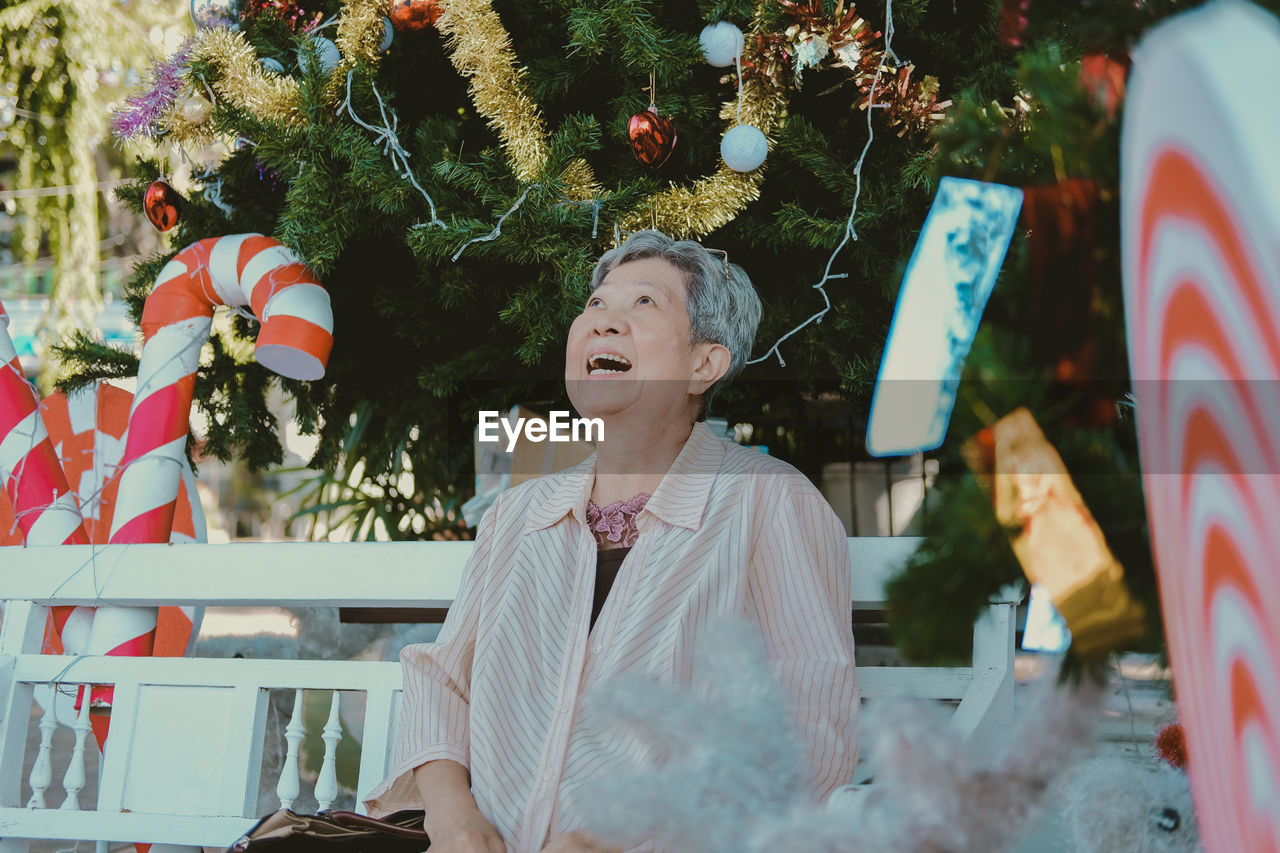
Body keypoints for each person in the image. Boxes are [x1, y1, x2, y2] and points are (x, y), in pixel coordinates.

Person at [364, 230, 858, 853]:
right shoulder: (516, 516)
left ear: (704, 363)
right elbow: (442, 684)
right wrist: (453, 817)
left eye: (644, 304)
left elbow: (809, 730)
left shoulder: (770, 502)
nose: (605, 322)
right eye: (597, 304)